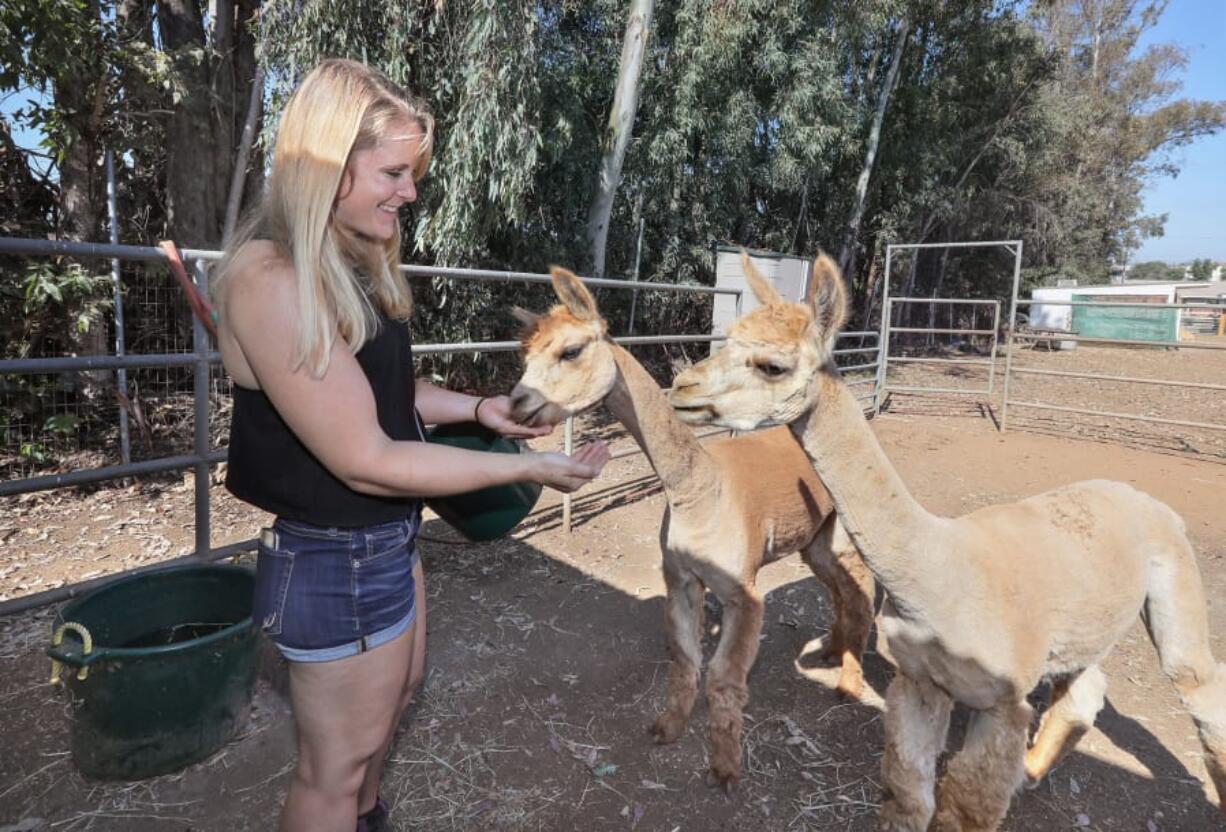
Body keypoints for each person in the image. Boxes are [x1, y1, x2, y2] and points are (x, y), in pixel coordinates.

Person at [212, 58, 608, 832]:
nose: (411, 191)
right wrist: (534, 467)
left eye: (413, 172)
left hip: (384, 538)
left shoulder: (344, 261)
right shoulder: (272, 279)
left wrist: (482, 410)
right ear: (327, 165)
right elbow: (368, 454)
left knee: (386, 714)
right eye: (394, 171)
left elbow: (381, 394)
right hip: (334, 553)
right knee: (335, 769)